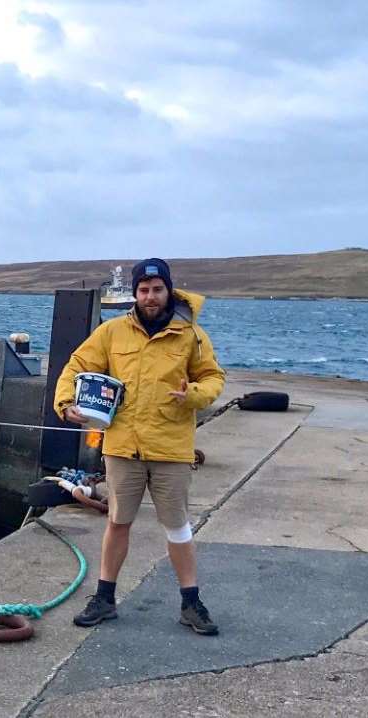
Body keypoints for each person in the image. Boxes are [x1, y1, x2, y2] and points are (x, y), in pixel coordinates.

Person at [54, 258, 225, 635]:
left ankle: (190, 602)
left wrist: (193, 394)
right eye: (144, 290)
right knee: (117, 522)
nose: (151, 296)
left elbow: (213, 377)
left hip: (170, 449)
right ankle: (104, 598)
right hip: (122, 448)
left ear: (168, 291)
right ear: (135, 293)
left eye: (157, 289)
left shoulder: (192, 335)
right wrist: (66, 403)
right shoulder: (112, 333)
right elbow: (77, 363)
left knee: (178, 527)